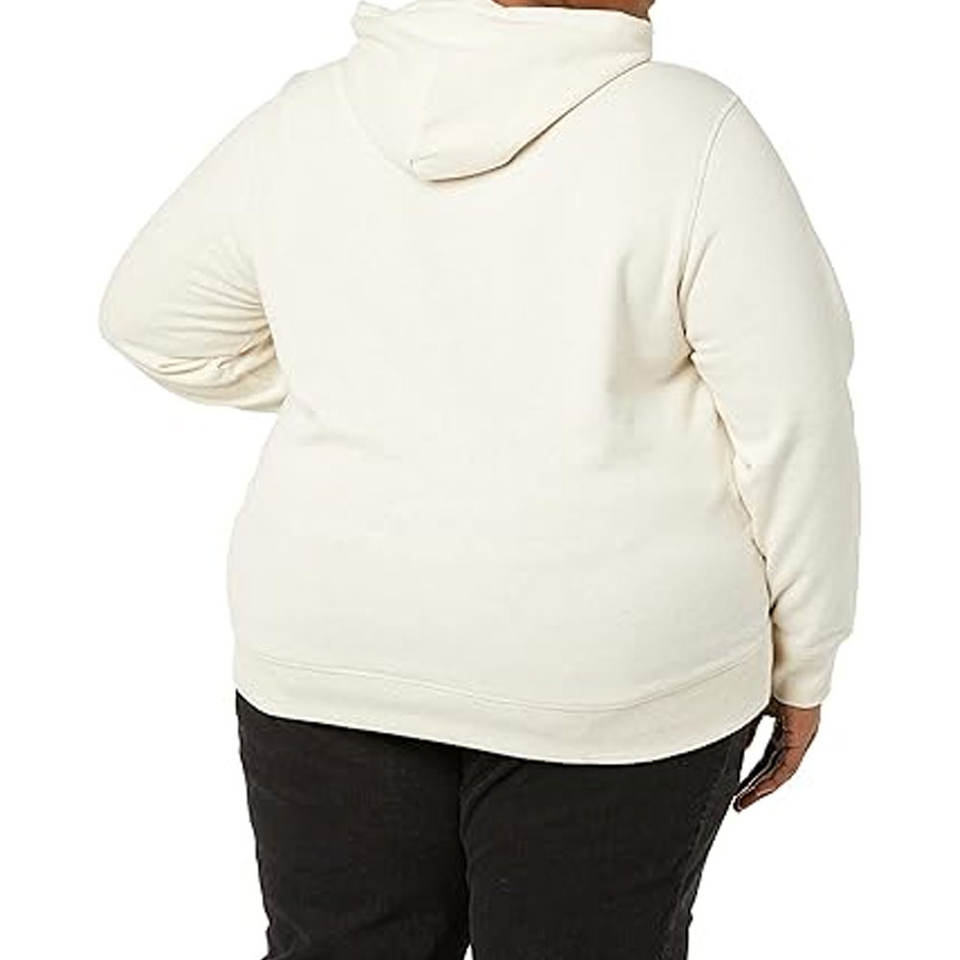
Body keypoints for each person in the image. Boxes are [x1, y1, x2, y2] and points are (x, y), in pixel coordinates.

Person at [98, 0, 860, 956]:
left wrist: (377, 379)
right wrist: (805, 659)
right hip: (607, 669)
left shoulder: (308, 118)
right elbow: (796, 424)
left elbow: (150, 319)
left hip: (335, 638)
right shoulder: (693, 132)